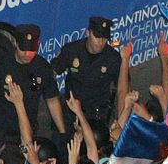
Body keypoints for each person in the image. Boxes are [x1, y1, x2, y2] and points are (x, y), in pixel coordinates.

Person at [0, 23, 63, 152]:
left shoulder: (42, 68)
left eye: (31, 51)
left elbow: (52, 100)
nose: (27, 54)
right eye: (24, 50)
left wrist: (63, 133)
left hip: (24, 135)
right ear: (15, 43)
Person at [51, 16, 124, 149]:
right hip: (71, 110)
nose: (101, 42)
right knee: (62, 147)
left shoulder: (112, 58)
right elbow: (54, 71)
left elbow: (122, 88)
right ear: (88, 33)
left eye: (105, 38)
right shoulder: (72, 50)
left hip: (95, 114)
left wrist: (120, 119)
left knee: (92, 150)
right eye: (97, 37)